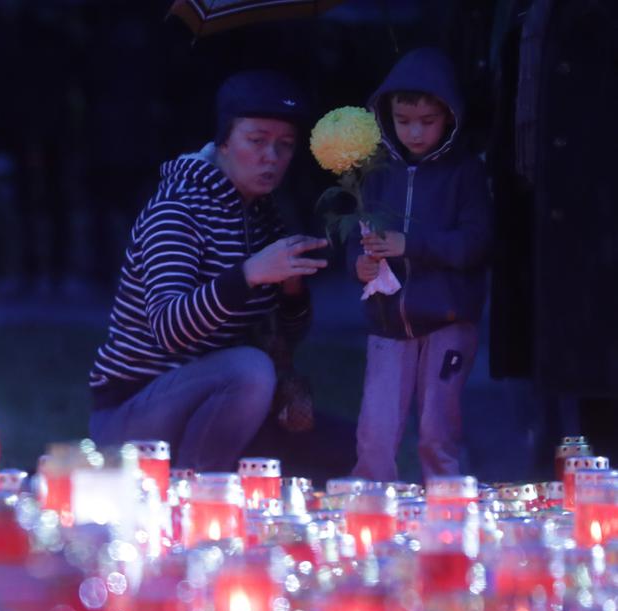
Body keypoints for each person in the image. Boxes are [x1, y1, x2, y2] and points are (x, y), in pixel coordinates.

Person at [88, 70, 325, 472]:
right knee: (250, 370)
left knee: (340, 448)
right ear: (224, 141)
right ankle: (198, 492)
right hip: (132, 413)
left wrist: (292, 291)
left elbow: (284, 338)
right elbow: (169, 329)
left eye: (285, 145)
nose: (271, 156)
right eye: (257, 140)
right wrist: (247, 274)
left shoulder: (264, 218)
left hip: (212, 403)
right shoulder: (176, 211)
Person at [348, 47, 491, 482]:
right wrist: (359, 266)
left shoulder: (465, 173)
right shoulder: (375, 172)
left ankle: (447, 513)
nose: (414, 132)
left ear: (449, 116)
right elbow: (357, 234)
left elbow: (475, 244)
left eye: (427, 121)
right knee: (374, 434)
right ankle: (371, 511)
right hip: (388, 322)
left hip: (448, 321)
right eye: (402, 120)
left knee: (436, 431)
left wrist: (411, 245)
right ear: (385, 115)